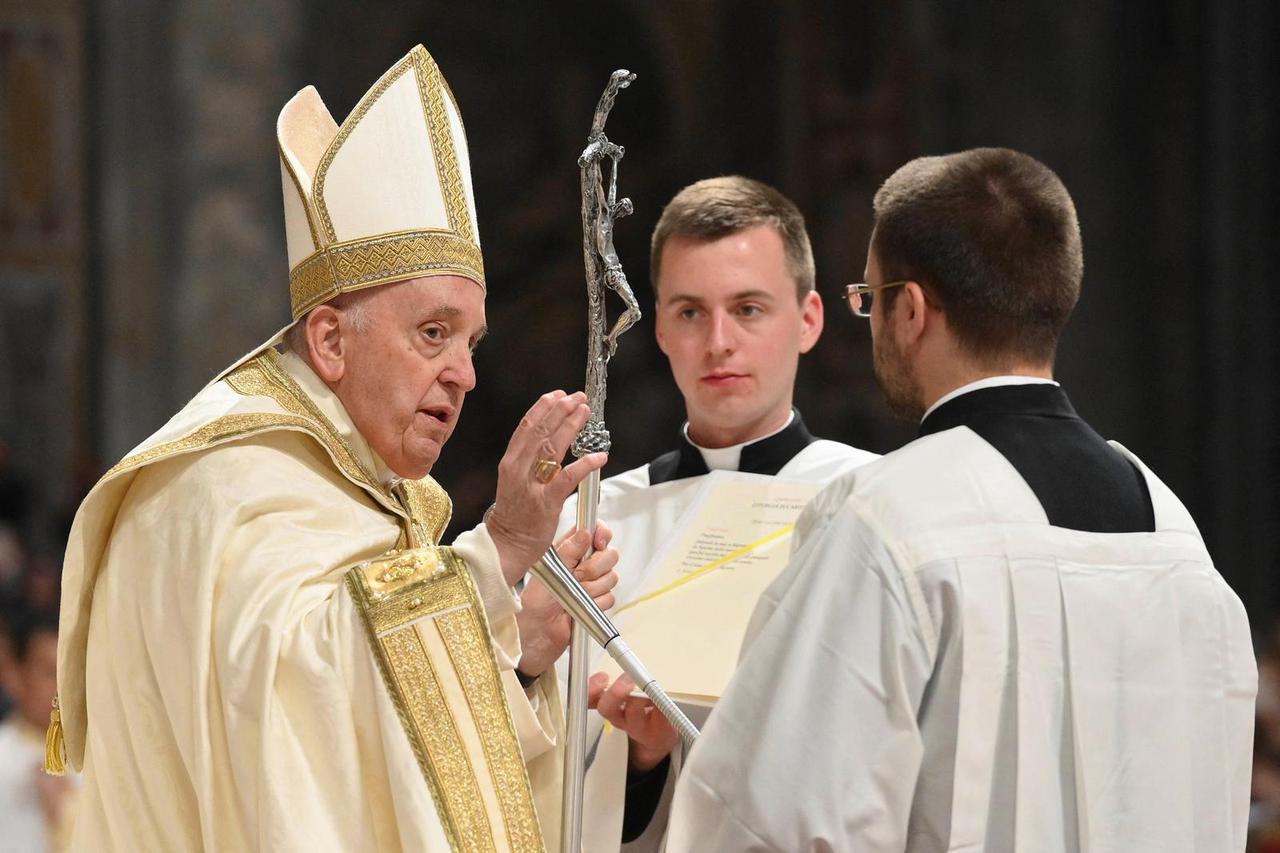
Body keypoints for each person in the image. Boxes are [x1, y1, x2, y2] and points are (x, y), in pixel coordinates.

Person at [51, 45, 619, 851]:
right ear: (329, 339)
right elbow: (290, 709)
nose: (463, 374)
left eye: (472, 343)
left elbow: (374, 746)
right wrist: (495, 553)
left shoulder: (359, 485)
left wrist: (514, 645)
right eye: (432, 333)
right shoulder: (225, 479)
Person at [645, 147, 1259, 851]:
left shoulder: (887, 518)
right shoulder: (1177, 537)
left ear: (909, 310)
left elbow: (772, 821)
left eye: (869, 299)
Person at [543, 176, 878, 849]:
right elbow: (544, 767)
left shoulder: (871, 500)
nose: (718, 341)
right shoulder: (596, 518)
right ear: (660, 326)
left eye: (749, 309)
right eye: (691, 312)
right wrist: (639, 760)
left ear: (808, 319)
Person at [0, 611, 76, 852]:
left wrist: (69, 813)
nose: (60, 687)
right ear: (16, 675)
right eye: (48, 672)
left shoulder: (98, 760)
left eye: (67, 673)